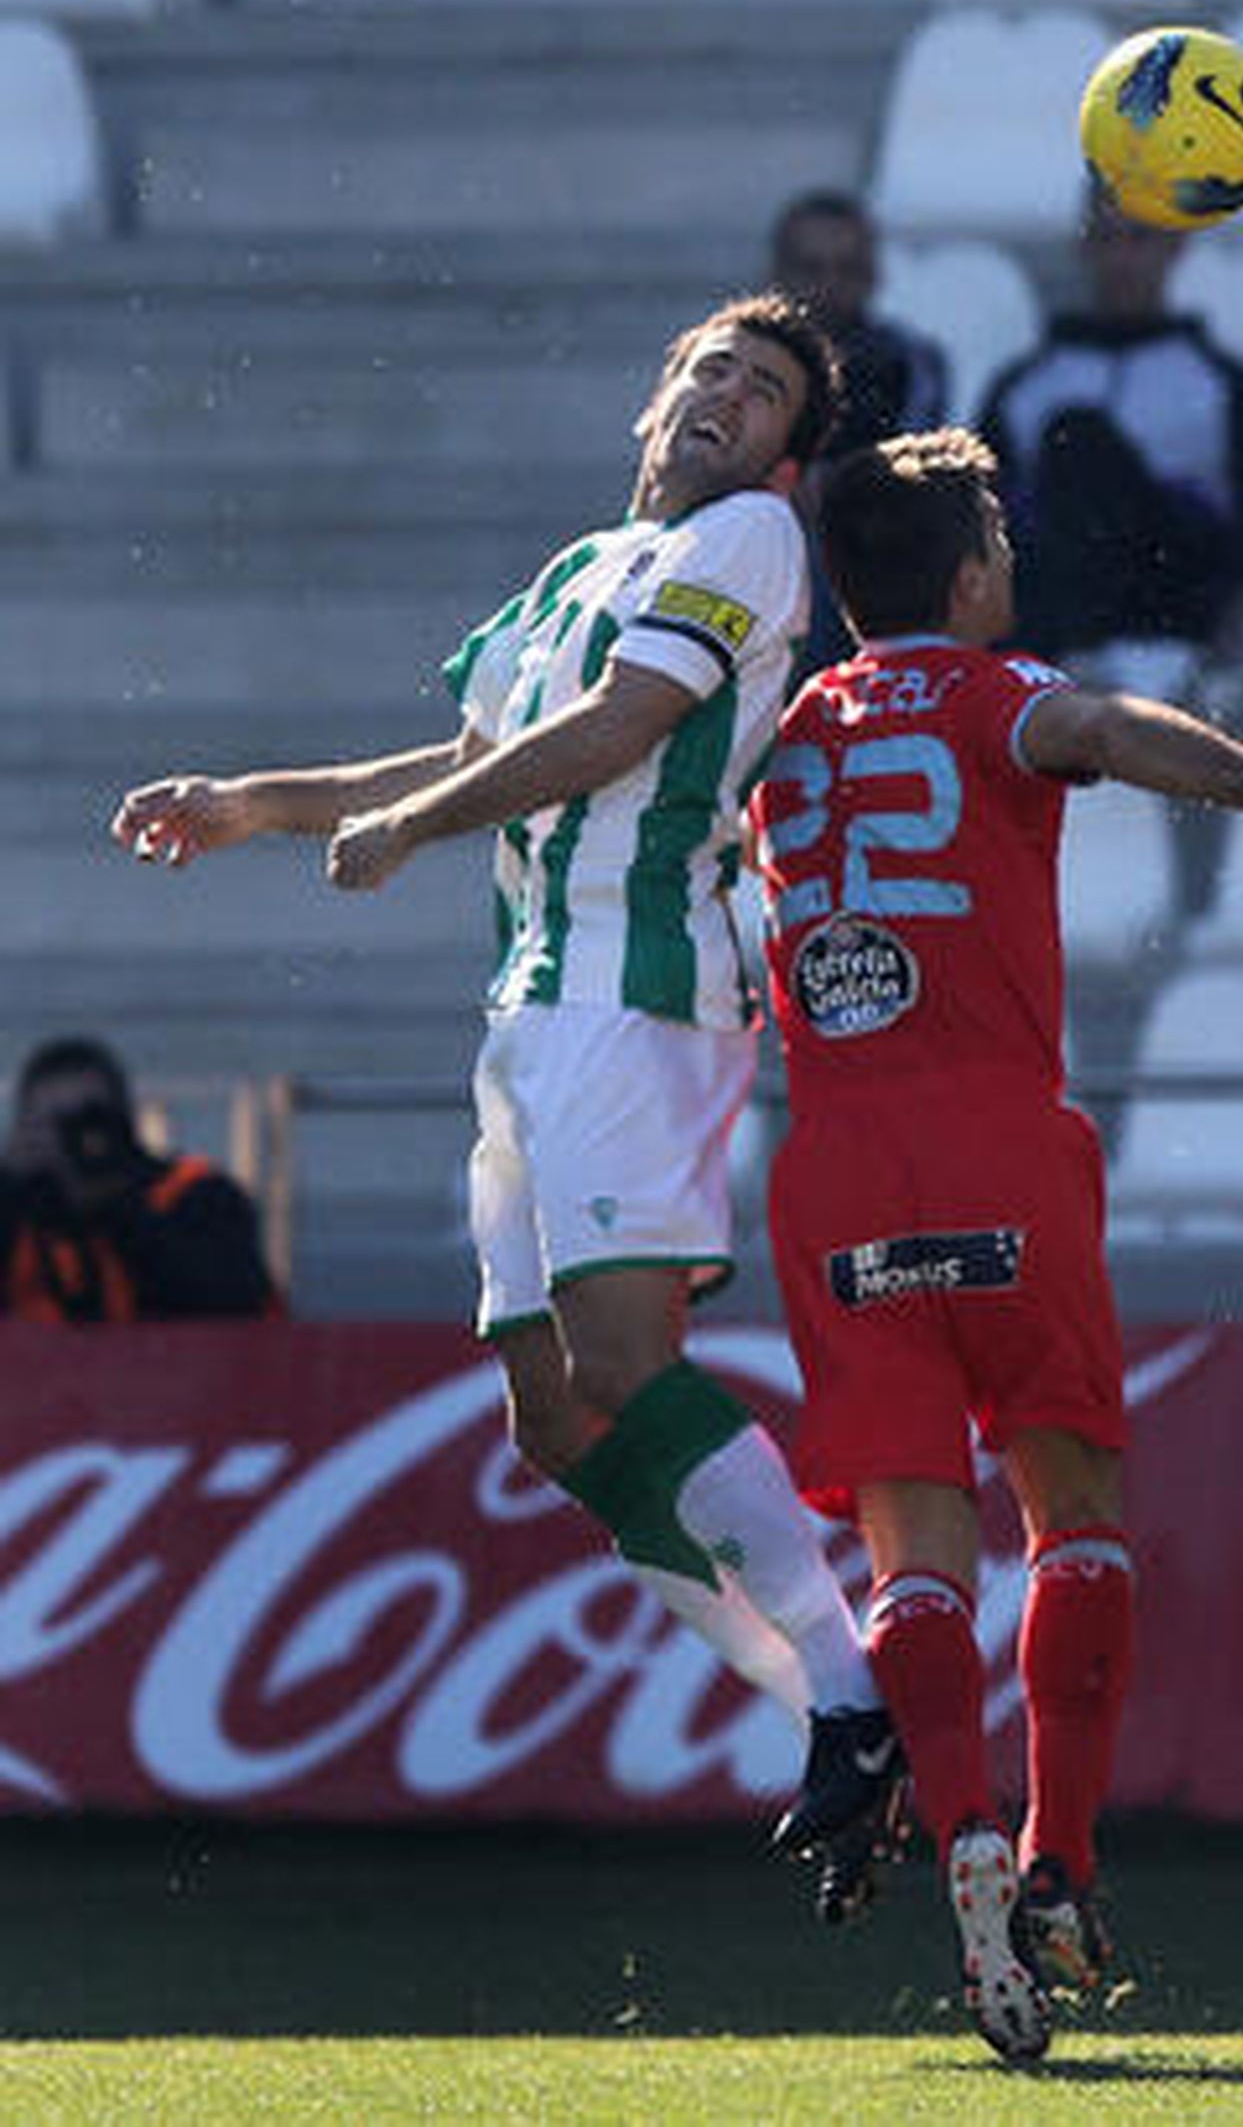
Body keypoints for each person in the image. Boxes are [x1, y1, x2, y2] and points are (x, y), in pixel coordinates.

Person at [111, 294, 901, 1904]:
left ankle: (856, 1694)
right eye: (711, 374)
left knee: (621, 1357)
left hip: (638, 987)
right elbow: (468, 744)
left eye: (763, 396)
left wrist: (416, 832)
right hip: (533, 1004)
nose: (729, 403)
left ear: (784, 458)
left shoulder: (752, 539)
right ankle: (842, 1713)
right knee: (553, 1422)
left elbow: (618, 731)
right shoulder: (571, 572)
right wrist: (254, 801)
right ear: (654, 394)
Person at [749, 429, 1243, 2061]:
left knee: (915, 1547)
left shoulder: (771, 729)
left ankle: (959, 1823)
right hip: (998, 1138)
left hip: (837, 1164)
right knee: (1073, 1515)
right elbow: (1108, 727)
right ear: (973, 577)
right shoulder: (990, 695)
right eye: (997, 537)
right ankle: (1058, 1854)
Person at [977, 186, 1243, 710]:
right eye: (1108, 239)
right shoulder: (1025, 388)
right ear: (1085, 246)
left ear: (1175, 247)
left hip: (1174, 604)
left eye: (1140, 239)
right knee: (1072, 447)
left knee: (1081, 444)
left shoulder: (1224, 386)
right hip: (1054, 615)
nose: (1122, 260)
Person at [768, 188, 949, 678]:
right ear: (780, 274)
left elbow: (904, 476)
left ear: (873, 276)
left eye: (847, 269)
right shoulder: (742, 361)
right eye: (812, 268)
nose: (829, 285)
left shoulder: (908, 360)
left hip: (859, 555)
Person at [0, 1036, 277, 1321]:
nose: (75, 1139)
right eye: (53, 1123)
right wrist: (10, 1182)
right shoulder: (18, 1211)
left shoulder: (191, 1194)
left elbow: (230, 1301)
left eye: (90, 1120)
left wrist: (121, 1208)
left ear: (123, 1121)